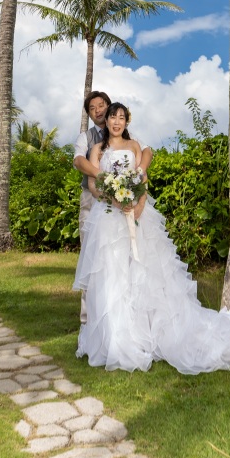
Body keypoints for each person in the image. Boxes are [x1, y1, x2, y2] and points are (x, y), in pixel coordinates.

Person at [74, 102, 230, 374]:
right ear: (107, 122)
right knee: (113, 276)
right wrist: (115, 201)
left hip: (136, 216)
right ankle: (115, 338)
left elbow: (143, 179)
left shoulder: (135, 147)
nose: (116, 122)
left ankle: (147, 332)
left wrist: (137, 206)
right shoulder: (97, 149)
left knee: (143, 274)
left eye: (121, 118)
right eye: (113, 118)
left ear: (127, 121)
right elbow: (94, 184)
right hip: (109, 218)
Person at [72, 90, 152, 324]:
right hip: (96, 202)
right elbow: (79, 161)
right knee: (94, 258)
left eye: (101, 105)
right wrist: (107, 181)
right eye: (92, 108)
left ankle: (133, 314)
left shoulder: (128, 135)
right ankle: (91, 319)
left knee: (130, 257)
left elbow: (145, 152)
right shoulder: (87, 139)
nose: (98, 110)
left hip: (130, 203)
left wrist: (139, 177)